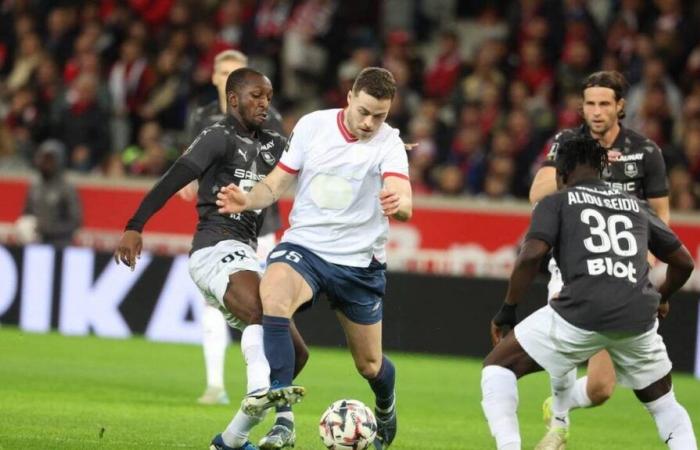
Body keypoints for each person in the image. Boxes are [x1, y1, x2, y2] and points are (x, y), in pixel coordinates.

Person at [216, 67, 412, 449]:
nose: (370, 123)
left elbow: (403, 195)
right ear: (351, 96)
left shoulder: (389, 144)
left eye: (380, 115)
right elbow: (275, 184)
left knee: (370, 365)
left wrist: (398, 204)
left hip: (358, 264)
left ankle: (386, 407)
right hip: (305, 248)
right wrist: (248, 199)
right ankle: (282, 416)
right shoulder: (312, 126)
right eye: (365, 112)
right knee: (272, 298)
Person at [114, 68, 308, 450]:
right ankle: (259, 395)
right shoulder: (218, 137)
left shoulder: (274, 142)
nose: (264, 103)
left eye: (268, 96)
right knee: (262, 310)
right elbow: (173, 178)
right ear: (233, 99)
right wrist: (135, 225)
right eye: (255, 96)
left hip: (245, 254)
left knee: (295, 353)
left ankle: (231, 439)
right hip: (214, 247)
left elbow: (318, 158)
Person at [482, 136, 697, 450]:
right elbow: (683, 262)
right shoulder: (636, 205)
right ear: (603, 170)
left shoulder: (557, 201)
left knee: (498, 367)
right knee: (664, 403)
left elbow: (530, 256)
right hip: (638, 316)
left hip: (582, 311)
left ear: (561, 174)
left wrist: (508, 310)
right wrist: (662, 297)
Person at [528, 70, 671, 436]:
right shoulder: (567, 143)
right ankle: (557, 426)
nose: (595, 111)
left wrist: (646, 269)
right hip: (573, 265)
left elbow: (662, 220)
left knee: (600, 389)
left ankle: (558, 405)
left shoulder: (646, 152)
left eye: (604, 103)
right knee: (562, 345)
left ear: (620, 106)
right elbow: (537, 193)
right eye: (589, 103)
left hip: (621, 270)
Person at [182, 49, 286, 407]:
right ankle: (215, 385)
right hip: (221, 227)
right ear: (216, 78)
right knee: (214, 305)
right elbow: (195, 159)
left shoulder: (269, 115)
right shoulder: (202, 118)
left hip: (262, 226)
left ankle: (261, 385)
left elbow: (279, 167)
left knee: (264, 307)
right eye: (224, 69)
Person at [18, 139, 82, 246]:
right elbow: (27, 213)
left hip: (60, 244)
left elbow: (75, 221)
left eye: (50, 159)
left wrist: (48, 229)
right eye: (43, 159)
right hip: (36, 243)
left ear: (59, 161)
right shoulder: (35, 186)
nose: (46, 163)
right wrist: (26, 227)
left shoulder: (66, 188)